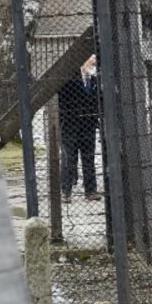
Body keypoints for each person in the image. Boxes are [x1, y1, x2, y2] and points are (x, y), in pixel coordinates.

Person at [58, 54, 102, 203]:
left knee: (88, 158)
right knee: (69, 158)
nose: (94, 61)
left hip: (88, 125)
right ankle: (66, 191)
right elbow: (63, 99)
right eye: (91, 57)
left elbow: (98, 100)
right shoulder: (69, 78)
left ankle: (91, 191)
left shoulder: (95, 79)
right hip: (70, 125)